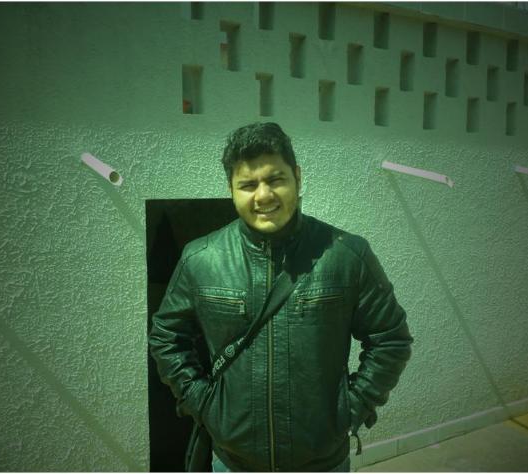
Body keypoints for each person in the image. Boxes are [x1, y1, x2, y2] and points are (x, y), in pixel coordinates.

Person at [149, 122, 413, 472]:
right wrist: (205, 404)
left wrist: (350, 409)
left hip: (323, 463)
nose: (263, 196)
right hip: (232, 462)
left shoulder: (347, 255)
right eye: (248, 185)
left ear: (297, 178)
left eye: (275, 179)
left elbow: (391, 339)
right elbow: (166, 338)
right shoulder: (201, 259)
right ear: (231, 189)